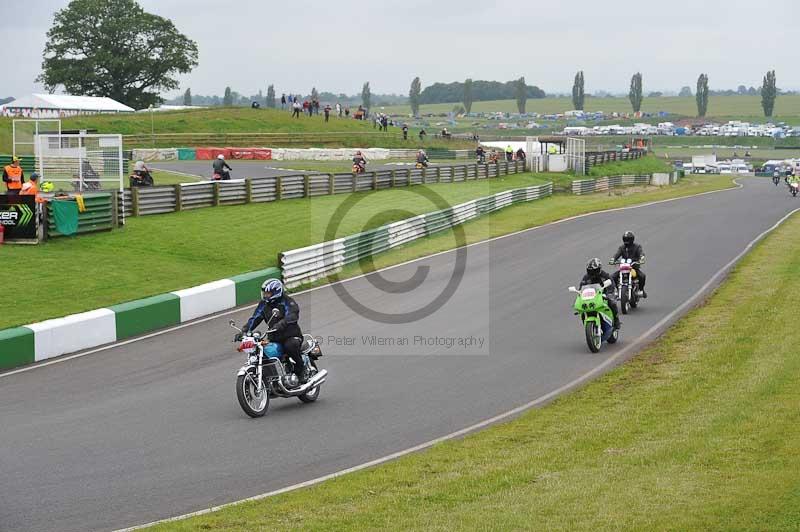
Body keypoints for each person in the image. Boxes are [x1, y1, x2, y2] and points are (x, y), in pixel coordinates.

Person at [242, 279, 308, 384]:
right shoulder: (263, 304)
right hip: (275, 338)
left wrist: (282, 323)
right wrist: (245, 330)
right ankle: (271, 380)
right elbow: (255, 318)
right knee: (261, 352)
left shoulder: (287, 301)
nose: (265, 295)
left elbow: (293, 314)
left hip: (291, 335)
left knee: (290, 346)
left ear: (276, 292)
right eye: (264, 293)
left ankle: (301, 369)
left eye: (268, 293)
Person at [579, 258, 620, 330]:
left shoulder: (604, 275)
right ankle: (588, 326)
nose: (592, 273)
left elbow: (611, 283)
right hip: (592, 296)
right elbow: (581, 287)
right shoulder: (586, 277)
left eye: (594, 271)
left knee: (612, 303)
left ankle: (616, 321)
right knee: (583, 309)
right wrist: (579, 294)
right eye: (590, 271)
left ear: (599, 269)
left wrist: (609, 293)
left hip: (604, 294)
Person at [610, 231, 647, 298]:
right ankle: (618, 290)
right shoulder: (622, 247)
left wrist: (641, 258)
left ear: (632, 239)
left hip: (633, 268)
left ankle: (641, 290)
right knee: (612, 277)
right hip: (624, 268)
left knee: (642, 276)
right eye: (625, 239)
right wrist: (613, 259)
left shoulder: (637, 247)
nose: (626, 241)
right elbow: (617, 254)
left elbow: (641, 253)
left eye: (628, 239)